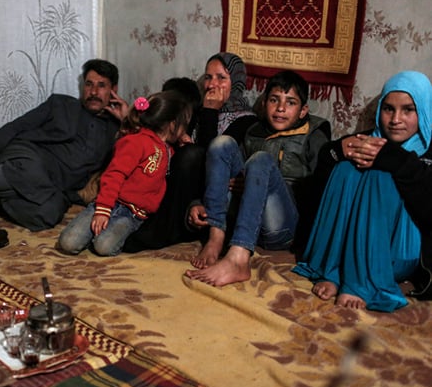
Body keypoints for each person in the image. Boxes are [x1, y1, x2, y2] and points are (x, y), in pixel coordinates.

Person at [293, 70, 432, 312]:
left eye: (408, 110)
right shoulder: (369, 138)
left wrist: (394, 159)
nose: (396, 119)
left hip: (399, 252)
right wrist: (337, 149)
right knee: (346, 168)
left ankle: (362, 283)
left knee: (380, 173)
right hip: (350, 245)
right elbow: (322, 170)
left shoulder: (430, 150)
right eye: (388, 108)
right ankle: (333, 270)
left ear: (423, 110)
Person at [0, 59, 128, 231]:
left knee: (49, 214)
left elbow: (129, 160)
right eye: (89, 84)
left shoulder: (118, 130)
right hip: (28, 156)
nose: (93, 92)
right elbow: (20, 125)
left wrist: (126, 122)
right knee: (29, 167)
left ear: (114, 90)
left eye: (101, 86)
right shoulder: (61, 104)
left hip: (54, 184)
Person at [185, 70, 331, 286]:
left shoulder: (314, 135)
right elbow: (228, 175)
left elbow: (321, 190)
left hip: (282, 226)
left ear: (303, 111)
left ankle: (238, 257)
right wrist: (199, 202)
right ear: (264, 104)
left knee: (261, 160)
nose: (280, 108)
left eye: (290, 103)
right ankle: (216, 236)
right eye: (274, 100)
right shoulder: (254, 131)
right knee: (221, 144)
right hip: (245, 217)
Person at [123, 52, 257, 252]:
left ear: (236, 82)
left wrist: (211, 112)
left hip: (218, 194)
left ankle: (164, 231)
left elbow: (211, 157)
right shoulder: (198, 111)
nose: (212, 85)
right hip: (186, 189)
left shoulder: (248, 120)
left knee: (193, 154)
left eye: (221, 78)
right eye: (208, 77)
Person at [58, 91, 192, 257]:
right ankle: (97, 226)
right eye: (184, 125)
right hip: (111, 202)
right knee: (68, 243)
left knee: (103, 247)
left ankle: (105, 236)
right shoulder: (135, 141)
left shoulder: (168, 150)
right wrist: (103, 209)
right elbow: (114, 174)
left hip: (132, 215)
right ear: (172, 125)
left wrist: (182, 141)